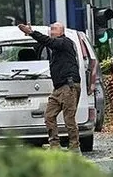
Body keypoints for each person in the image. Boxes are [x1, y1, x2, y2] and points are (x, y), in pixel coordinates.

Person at [17, 22, 82, 152]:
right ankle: (54, 145)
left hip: (69, 86)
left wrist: (32, 33)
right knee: (49, 116)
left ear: (61, 31)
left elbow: (49, 42)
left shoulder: (65, 42)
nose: (51, 31)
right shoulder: (56, 47)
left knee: (69, 118)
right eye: (51, 29)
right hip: (59, 88)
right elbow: (47, 42)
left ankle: (75, 147)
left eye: (54, 29)